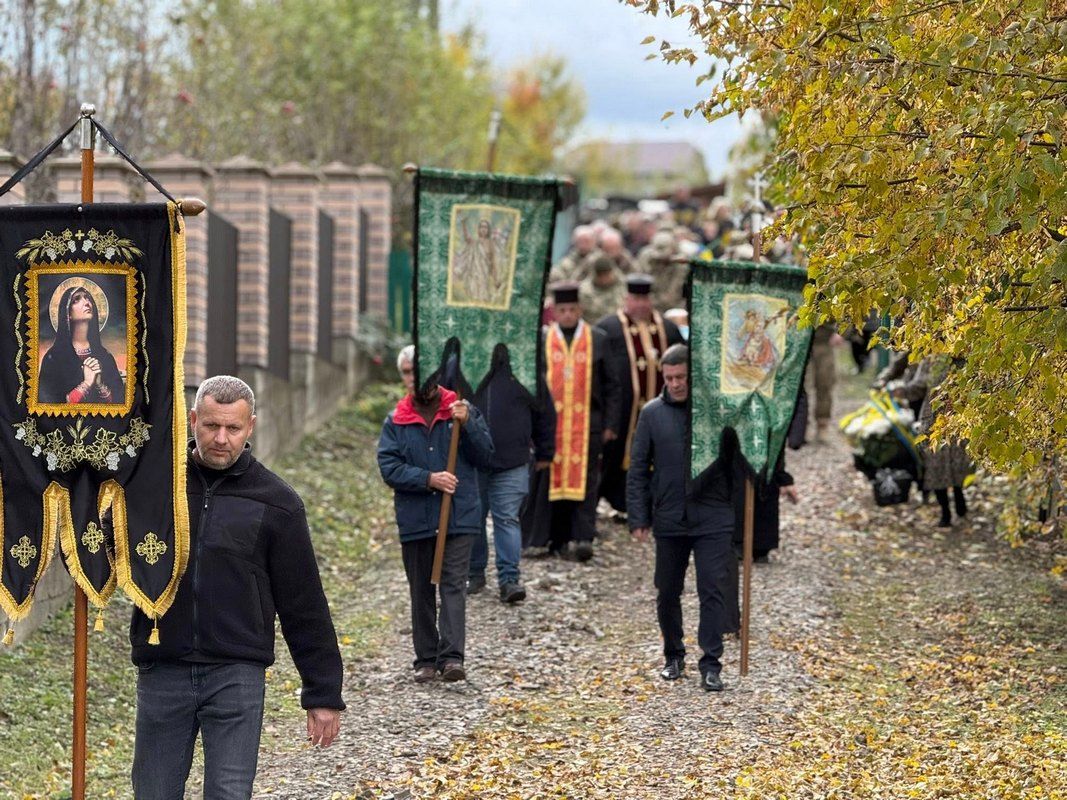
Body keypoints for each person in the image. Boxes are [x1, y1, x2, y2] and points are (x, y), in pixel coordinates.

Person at [128, 375, 344, 800]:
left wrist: (323, 693)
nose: (221, 439)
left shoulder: (278, 503)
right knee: (152, 792)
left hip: (236, 673)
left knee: (229, 793)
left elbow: (303, 603)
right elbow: (105, 547)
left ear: (251, 427)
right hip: (162, 669)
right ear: (193, 420)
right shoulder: (157, 489)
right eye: (211, 426)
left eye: (233, 428)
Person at [377, 346, 494, 682]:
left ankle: (453, 657)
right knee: (421, 588)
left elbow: (486, 455)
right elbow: (389, 467)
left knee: (454, 583)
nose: (415, 378)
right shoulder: (396, 420)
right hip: (416, 519)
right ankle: (426, 659)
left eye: (421, 370)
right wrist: (428, 479)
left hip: (459, 515)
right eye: (408, 372)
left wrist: (469, 424)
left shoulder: (460, 410)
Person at [627, 345, 735, 691]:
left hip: (713, 515)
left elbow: (739, 458)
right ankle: (673, 655)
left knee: (712, 589)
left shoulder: (715, 411)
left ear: (693, 376)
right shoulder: (652, 414)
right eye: (669, 377)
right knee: (667, 591)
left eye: (681, 377)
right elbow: (638, 469)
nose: (675, 384)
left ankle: (711, 662)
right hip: (670, 517)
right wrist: (638, 517)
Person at [522, 283, 621, 561]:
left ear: (579, 310)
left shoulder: (597, 339)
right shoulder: (542, 339)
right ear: (555, 311)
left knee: (586, 483)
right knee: (545, 482)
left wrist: (611, 424)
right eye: (562, 310)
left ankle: (580, 538)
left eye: (572, 310)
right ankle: (546, 538)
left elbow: (613, 385)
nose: (567, 315)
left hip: (587, 424)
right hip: (549, 427)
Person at [467, 356, 556, 602]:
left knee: (507, 519)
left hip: (513, 460)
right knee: (472, 519)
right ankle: (475, 573)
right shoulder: (465, 366)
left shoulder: (525, 370)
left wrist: (545, 450)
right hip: (473, 461)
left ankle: (509, 579)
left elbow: (544, 412)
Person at [596, 275, 684, 513]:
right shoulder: (608, 329)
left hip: (659, 410)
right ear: (626, 299)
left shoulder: (668, 329)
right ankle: (617, 501)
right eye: (636, 299)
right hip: (622, 412)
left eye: (645, 298)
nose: (641, 304)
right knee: (615, 458)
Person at [894, 357, 973, 527]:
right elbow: (917, 387)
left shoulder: (967, 357)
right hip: (932, 419)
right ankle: (945, 511)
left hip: (958, 419)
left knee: (957, 463)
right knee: (935, 466)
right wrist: (901, 391)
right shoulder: (931, 360)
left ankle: (959, 497)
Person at [39, 284, 124, 405]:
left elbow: (120, 404)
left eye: (87, 298)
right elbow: (47, 406)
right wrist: (87, 383)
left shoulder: (105, 356)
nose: (86, 302)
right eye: (77, 300)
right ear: (67, 313)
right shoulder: (54, 357)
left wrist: (99, 384)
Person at [578, 255, 627, 324]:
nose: (604, 279)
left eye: (606, 275)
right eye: (600, 276)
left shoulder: (623, 285)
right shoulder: (584, 291)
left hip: (620, 326)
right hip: (594, 327)